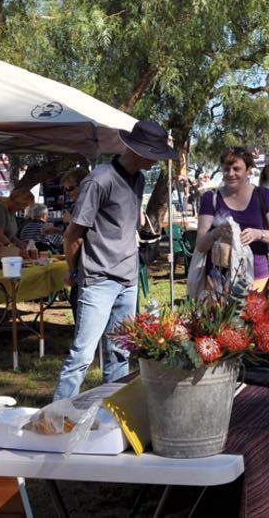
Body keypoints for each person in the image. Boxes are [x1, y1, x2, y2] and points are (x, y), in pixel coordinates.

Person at [54, 120, 177, 400]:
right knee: (82, 355)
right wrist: (74, 273)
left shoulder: (139, 180)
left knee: (120, 353)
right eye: (156, 153)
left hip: (128, 280)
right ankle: (54, 420)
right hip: (98, 280)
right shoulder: (99, 180)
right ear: (141, 151)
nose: (158, 160)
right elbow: (73, 233)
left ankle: (114, 416)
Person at [193, 148, 269, 283]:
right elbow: (200, 245)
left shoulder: (262, 195)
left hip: (257, 278)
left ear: (248, 170)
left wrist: (258, 234)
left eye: (236, 169)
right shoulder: (210, 198)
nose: (230, 174)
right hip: (219, 281)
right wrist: (216, 233)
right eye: (226, 169)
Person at [0, 186, 38, 263]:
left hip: (0, 253)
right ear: (17, 202)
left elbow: (9, 235)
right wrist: (13, 249)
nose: (23, 209)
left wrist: (19, 243)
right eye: (24, 205)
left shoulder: (11, 209)